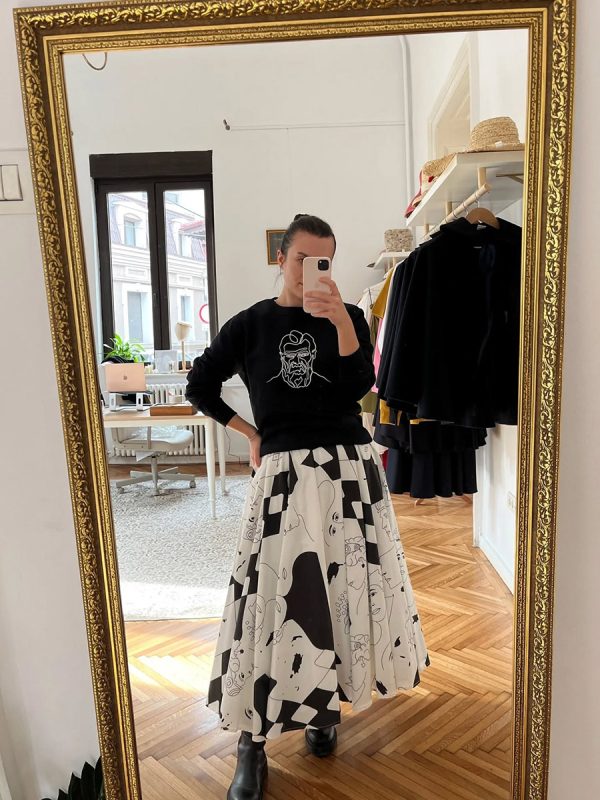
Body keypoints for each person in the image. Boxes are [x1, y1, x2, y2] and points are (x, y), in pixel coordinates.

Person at [186, 214, 429, 800]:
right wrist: (249, 432)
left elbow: (356, 387)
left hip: (348, 470)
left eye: (323, 261)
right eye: (301, 259)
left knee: (340, 592)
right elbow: (200, 384)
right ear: (282, 259)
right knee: (270, 599)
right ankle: (252, 740)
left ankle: (323, 705)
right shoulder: (250, 325)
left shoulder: (347, 319)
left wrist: (342, 321)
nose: (310, 271)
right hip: (284, 475)